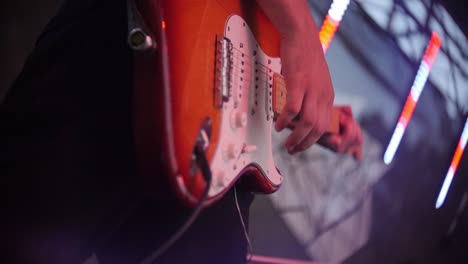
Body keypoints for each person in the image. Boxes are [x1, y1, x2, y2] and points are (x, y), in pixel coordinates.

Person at [2, 0, 362, 263]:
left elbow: (260, 61)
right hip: (142, 33)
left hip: (210, 131)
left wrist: (318, 115)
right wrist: (301, 32)